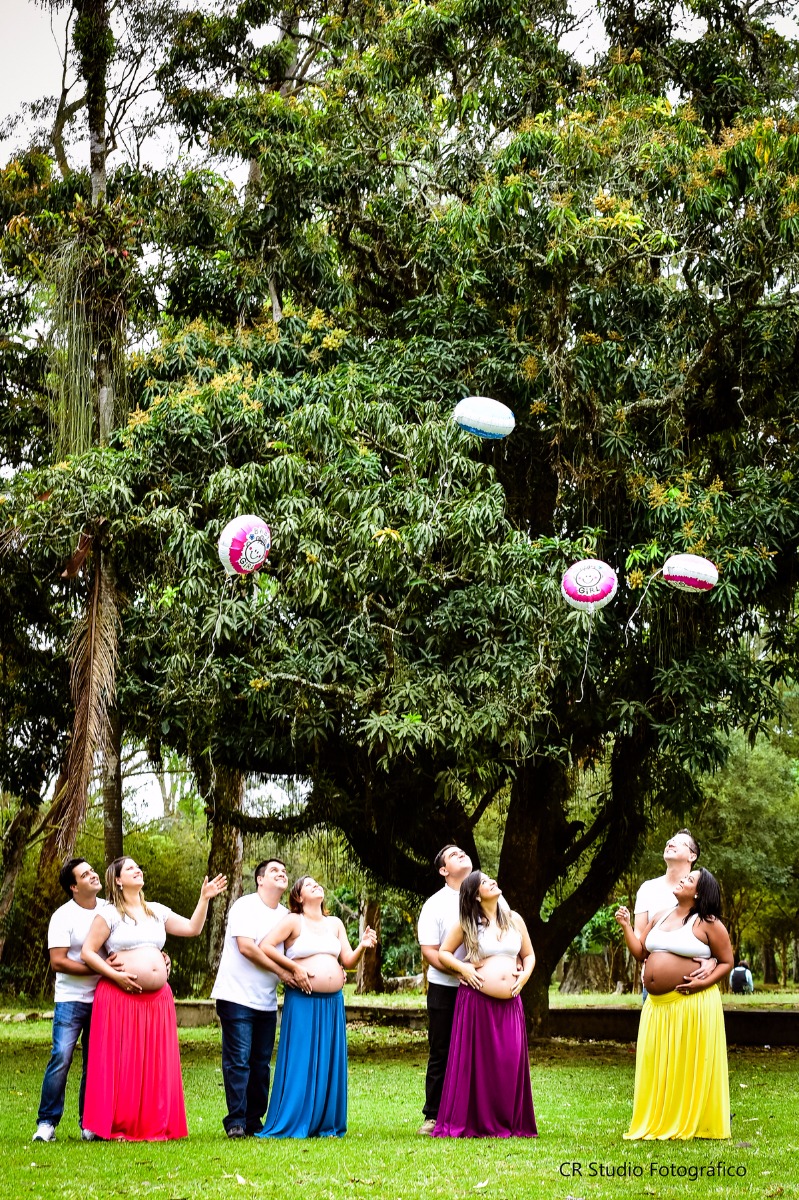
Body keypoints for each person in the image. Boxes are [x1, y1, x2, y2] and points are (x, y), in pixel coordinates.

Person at [80, 856, 227, 1141]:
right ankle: (118, 1124)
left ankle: (151, 1122)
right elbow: (88, 951)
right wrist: (115, 975)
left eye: (138, 866)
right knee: (124, 1063)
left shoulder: (156, 911)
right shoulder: (109, 914)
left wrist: (204, 899)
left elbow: (192, 929)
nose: (138, 870)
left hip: (157, 1001)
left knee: (153, 1064)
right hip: (119, 997)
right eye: (130, 868)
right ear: (118, 880)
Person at [615, 866, 734, 1140]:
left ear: (699, 893)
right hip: (657, 1007)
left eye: (689, 880)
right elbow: (640, 952)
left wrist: (702, 982)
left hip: (691, 1005)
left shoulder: (708, 923)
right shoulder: (660, 915)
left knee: (687, 1066)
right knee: (658, 1065)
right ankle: (661, 1117)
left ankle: (689, 1119)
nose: (683, 880)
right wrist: (626, 927)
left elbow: (726, 961)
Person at [256, 876, 377, 1138]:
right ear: (299, 897)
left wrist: (362, 946)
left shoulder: (335, 923)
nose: (316, 886)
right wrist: (294, 967)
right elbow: (265, 946)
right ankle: (294, 1120)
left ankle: (325, 1122)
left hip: (332, 1004)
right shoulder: (293, 920)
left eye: (317, 884)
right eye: (308, 885)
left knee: (329, 1061)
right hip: (303, 1001)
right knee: (302, 1060)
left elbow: (348, 960)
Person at [433, 870, 537, 1138]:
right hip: (476, 1002)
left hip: (511, 1004)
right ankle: (479, 1121)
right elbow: (444, 952)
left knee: (509, 1061)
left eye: (490, 878)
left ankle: (508, 1120)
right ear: (477, 895)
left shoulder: (514, 919)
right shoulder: (467, 923)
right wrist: (463, 969)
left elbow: (529, 955)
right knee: (480, 1067)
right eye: (484, 882)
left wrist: (524, 976)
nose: (491, 881)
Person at [211, 858, 296, 1137]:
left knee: (260, 1064)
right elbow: (246, 947)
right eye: (274, 870)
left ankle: (253, 1120)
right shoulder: (245, 906)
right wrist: (281, 972)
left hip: (266, 1001)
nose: (281, 874)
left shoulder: (286, 916)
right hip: (236, 996)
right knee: (238, 1060)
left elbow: (299, 952)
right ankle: (236, 1121)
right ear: (260, 879)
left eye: (284, 871)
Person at [32, 860, 108, 1143]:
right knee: (62, 1056)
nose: (93, 875)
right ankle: (47, 1123)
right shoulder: (63, 916)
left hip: (103, 998)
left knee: (95, 1062)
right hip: (71, 998)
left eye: (92, 870)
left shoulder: (109, 910)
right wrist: (100, 969)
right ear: (74, 887)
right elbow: (58, 961)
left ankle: (89, 1123)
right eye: (85, 875)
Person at [416, 844, 474, 1135]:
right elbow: (429, 950)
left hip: (482, 988)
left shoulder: (485, 894)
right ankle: (433, 1115)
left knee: (477, 1051)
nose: (461, 853)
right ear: (443, 870)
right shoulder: (434, 904)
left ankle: (475, 1112)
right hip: (445, 988)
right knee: (441, 1051)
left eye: (462, 851)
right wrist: (459, 971)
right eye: (453, 855)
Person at [633, 830, 717, 996]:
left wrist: (714, 961)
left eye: (679, 842)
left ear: (692, 856)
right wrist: (647, 961)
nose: (670, 843)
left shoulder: (701, 890)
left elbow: (716, 936)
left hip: (693, 987)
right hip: (653, 989)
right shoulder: (647, 889)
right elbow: (639, 933)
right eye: (670, 841)